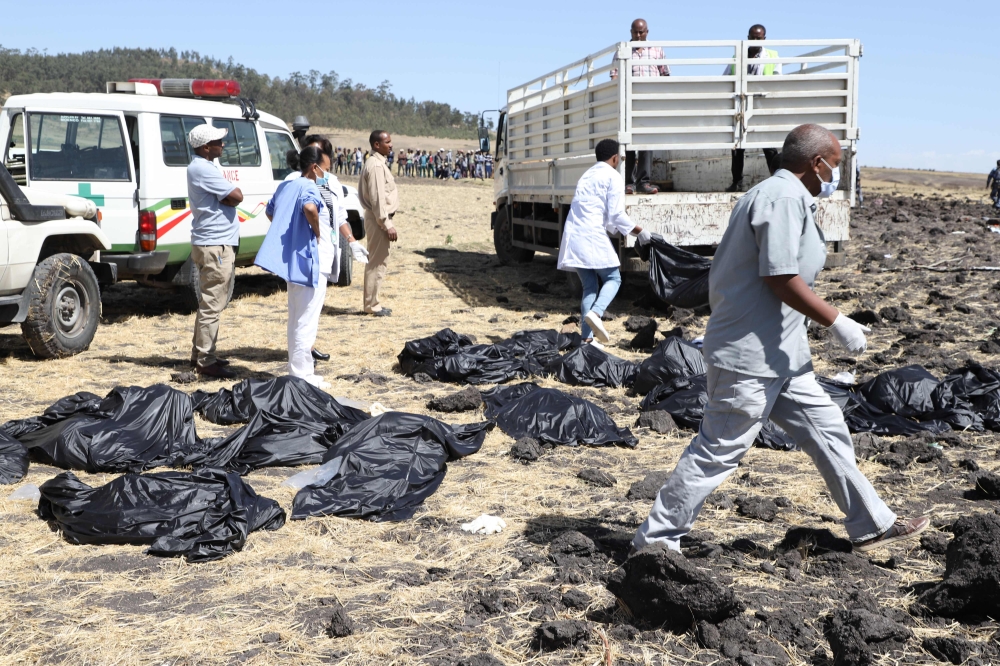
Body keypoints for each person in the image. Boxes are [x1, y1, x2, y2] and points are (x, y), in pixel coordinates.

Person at [631, 124, 931, 556]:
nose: (835, 176)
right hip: (748, 355)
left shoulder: (780, 196)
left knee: (827, 430)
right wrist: (836, 320)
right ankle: (655, 542)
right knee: (718, 449)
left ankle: (872, 524)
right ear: (816, 163)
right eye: (835, 167)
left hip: (783, 355)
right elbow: (780, 276)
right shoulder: (783, 199)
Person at [557, 138, 651, 347]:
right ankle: (597, 313)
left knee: (589, 287)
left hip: (574, 234)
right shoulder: (613, 176)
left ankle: (586, 340)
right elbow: (616, 215)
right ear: (616, 158)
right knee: (614, 278)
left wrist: (614, 228)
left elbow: (606, 215)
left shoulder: (588, 174)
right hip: (591, 234)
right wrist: (640, 232)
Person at [256, 147, 334, 388]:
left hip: (295, 258)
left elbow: (271, 212)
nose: (326, 174)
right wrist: (316, 232)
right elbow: (310, 209)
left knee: (296, 317)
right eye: (326, 169)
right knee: (307, 318)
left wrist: (291, 232)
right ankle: (303, 375)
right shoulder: (309, 186)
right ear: (314, 167)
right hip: (310, 260)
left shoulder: (285, 186)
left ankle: (298, 370)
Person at [186, 123, 243, 379]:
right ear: (206, 148)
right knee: (212, 303)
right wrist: (228, 196)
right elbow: (237, 195)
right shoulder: (203, 169)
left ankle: (201, 354)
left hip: (209, 242)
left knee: (208, 301)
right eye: (219, 142)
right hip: (215, 244)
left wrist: (227, 197)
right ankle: (205, 360)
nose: (223, 144)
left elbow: (229, 197)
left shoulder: (203, 167)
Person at [610, 18, 668, 195]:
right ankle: (629, 182)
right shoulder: (623, 51)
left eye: (641, 32)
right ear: (631, 32)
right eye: (635, 32)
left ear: (647, 32)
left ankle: (644, 182)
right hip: (629, 103)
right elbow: (614, 76)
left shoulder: (657, 50)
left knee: (647, 143)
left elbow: (665, 74)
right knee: (629, 145)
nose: (638, 35)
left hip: (650, 103)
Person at [727, 24, 782, 192]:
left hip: (762, 108)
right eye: (753, 37)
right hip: (742, 107)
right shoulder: (738, 56)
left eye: (759, 38)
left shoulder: (773, 56)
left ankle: (778, 181)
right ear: (748, 37)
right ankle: (737, 182)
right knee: (737, 146)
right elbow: (726, 78)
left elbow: (777, 81)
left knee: (769, 146)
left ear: (764, 39)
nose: (756, 40)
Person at [358, 130, 399, 316]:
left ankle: (373, 302)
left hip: (377, 218)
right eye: (387, 142)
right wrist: (386, 223)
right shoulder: (375, 166)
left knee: (378, 261)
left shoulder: (378, 163)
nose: (391, 145)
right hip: (378, 219)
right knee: (376, 262)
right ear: (376, 144)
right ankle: (371, 306)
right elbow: (378, 200)